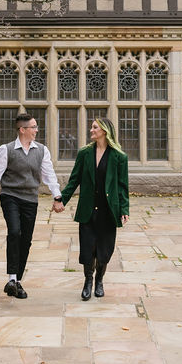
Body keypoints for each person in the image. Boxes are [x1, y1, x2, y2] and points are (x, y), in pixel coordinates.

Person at [0, 113, 64, 299]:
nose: (37, 130)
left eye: (36, 127)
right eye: (34, 127)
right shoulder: (6, 150)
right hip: (10, 196)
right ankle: (12, 278)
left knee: (26, 239)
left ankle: (16, 281)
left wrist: (57, 196)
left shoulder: (42, 150)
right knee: (15, 232)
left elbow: (48, 175)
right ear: (22, 129)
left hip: (30, 199)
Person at [59, 117, 129, 301]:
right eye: (91, 127)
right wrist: (62, 200)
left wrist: (124, 208)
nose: (91, 130)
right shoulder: (84, 154)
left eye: (94, 127)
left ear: (104, 131)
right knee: (88, 248)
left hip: (108, 210)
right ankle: (87, 282)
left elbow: (122, 185)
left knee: (104, 249)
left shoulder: (119, 157)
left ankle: (99, 281)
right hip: (88, 209)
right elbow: (74, 180)